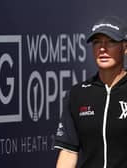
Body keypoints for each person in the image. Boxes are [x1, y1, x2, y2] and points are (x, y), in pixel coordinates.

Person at [54, 16, 127, 168]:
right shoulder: (77, 95)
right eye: (97, 42)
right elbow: (68, 152)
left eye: (111, 41)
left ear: (125, 47)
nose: (102, 48)